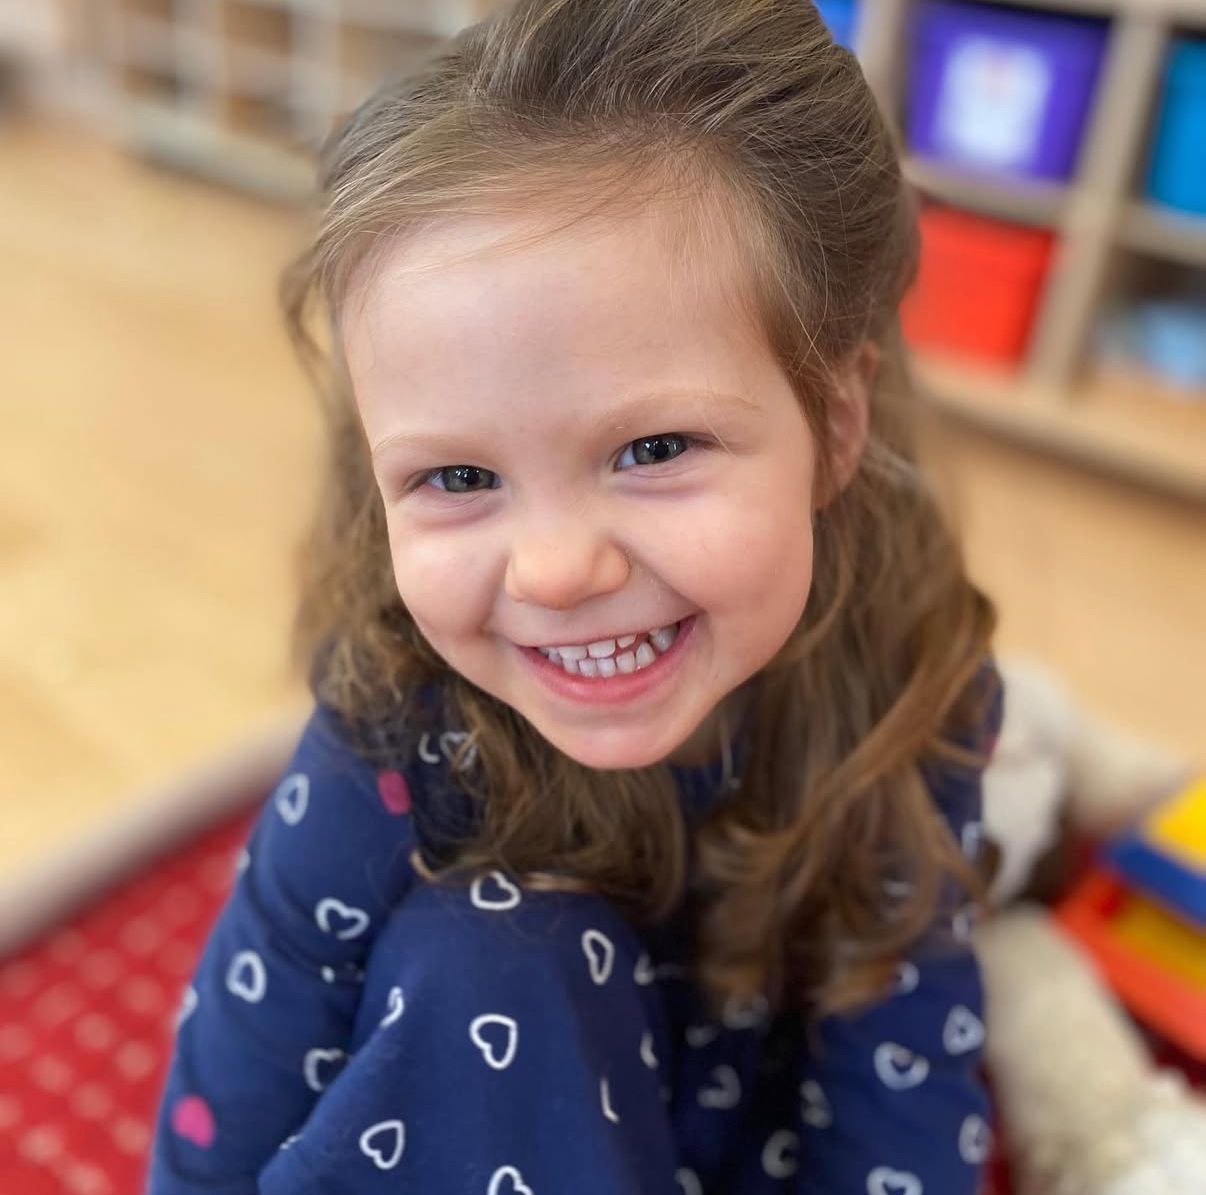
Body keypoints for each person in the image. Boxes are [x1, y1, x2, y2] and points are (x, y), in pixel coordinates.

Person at [149, 1, 1004, 1192]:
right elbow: (246, 1054)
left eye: (655, 449)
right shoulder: (398, 716)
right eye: (458, 476)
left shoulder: (914, 676)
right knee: (490, 949)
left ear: (837, 418)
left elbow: (900, 1050)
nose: (555, 570)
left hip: (724, 1152)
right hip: (469, 1123)